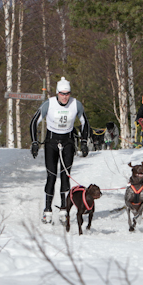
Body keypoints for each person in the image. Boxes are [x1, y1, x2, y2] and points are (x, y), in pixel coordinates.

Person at [30, 77, 90, 224]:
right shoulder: (48, 104)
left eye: (67, 94)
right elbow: (33, 122)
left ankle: (64, 209)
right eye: (62, 94)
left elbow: (85, 123)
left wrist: (84, 142)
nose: (65, 97)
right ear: (57, 93)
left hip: (68, 142)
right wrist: (34, 142)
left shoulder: (76, 104)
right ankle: (47, 209)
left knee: (65, 176)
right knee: (51, 176)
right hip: (51, 142)